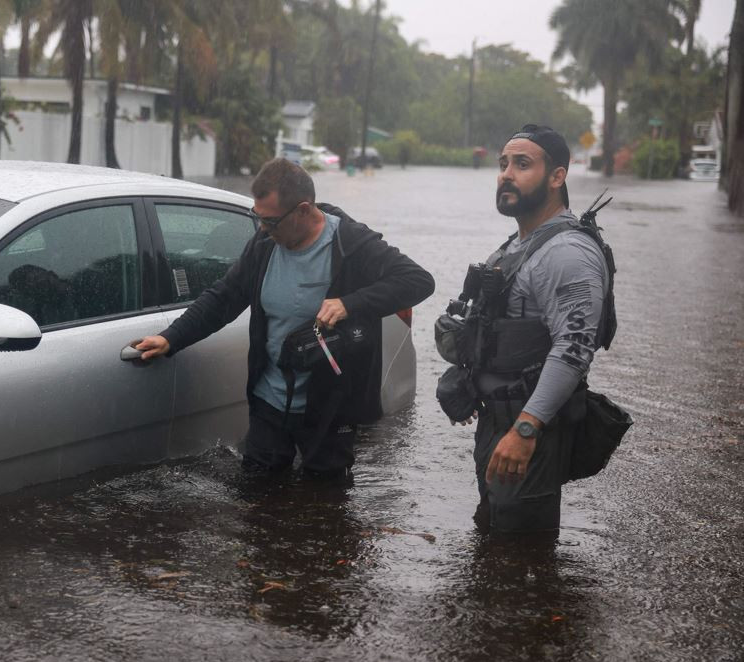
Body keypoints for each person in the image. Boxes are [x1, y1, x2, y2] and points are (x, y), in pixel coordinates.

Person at [133, 159, 434, 480]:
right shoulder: (265, 245)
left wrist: (351, 303)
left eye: (271, 221)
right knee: (256, 496)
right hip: (269, 402)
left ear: (303, 210)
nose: (262, 228)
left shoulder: (352, 245)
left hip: (330, 408)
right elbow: (225, 296)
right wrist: (171, 338)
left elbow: (418, 280)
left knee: (325, 507)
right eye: (257, 218)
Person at [449, 124, 612, 532]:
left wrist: (526, 429)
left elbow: (574, 347)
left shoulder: (567, 253)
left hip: (531, 429)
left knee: (521, 556)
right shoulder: (515, 245)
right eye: (503, 164)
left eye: (523, 164)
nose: (506, 174)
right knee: (491, 540)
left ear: (557, 176)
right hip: (497, 422)